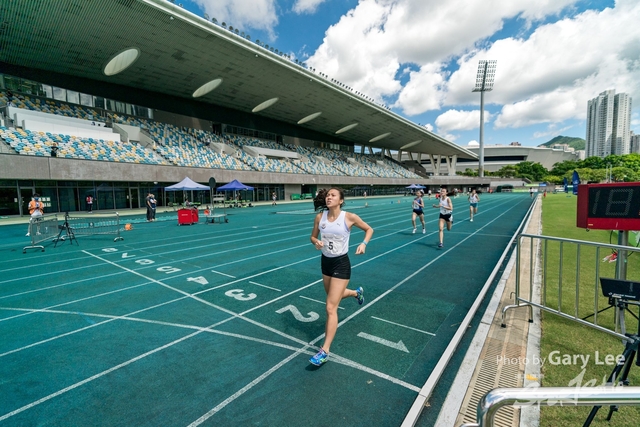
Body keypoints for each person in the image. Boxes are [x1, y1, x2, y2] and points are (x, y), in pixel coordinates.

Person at [309, 187, 373, 366]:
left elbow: (369, 229)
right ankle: (355, 293)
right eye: (328, 195)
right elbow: (312, 237)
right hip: (325, 263)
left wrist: (364, 243)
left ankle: (324, 350)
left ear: (341, 200)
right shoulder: (319, 218)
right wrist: (316, 242)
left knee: (330, 307)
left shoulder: (348, 217)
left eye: (333, 195)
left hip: (341, 264)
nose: (329, 197)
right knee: (333, 297)